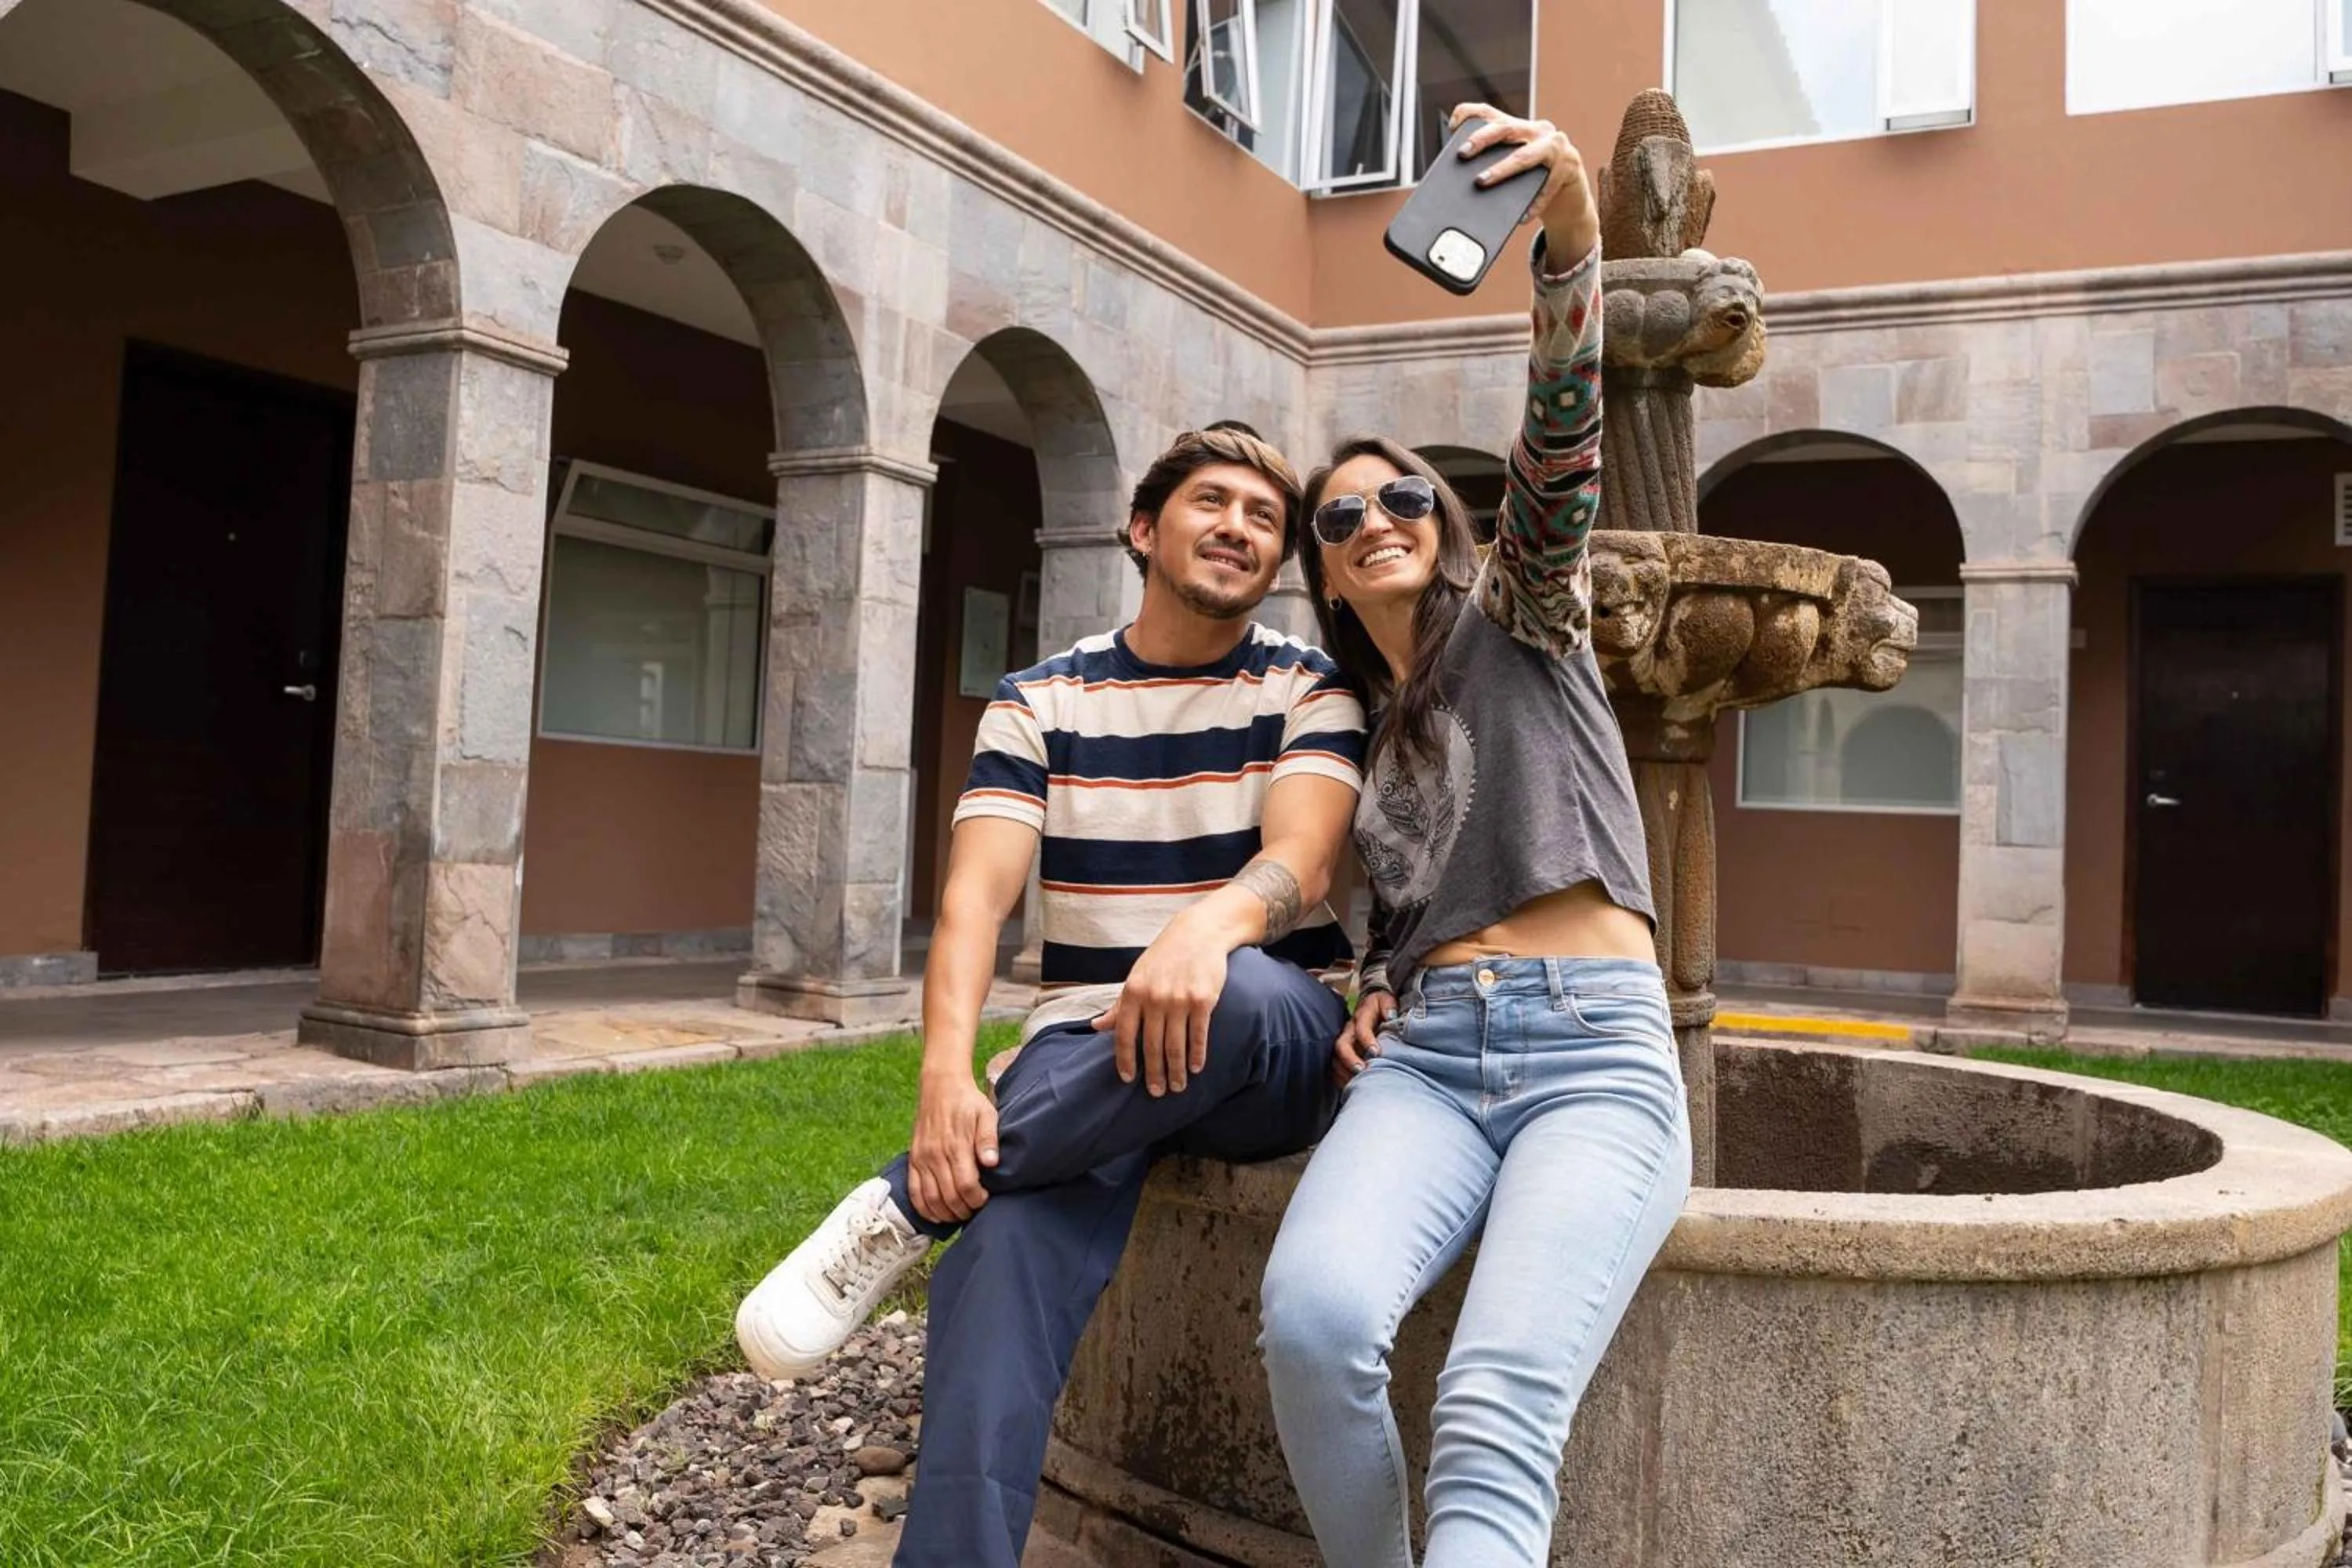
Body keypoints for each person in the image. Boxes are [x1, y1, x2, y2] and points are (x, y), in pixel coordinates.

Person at [733, 426, 1367, 1568]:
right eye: (1211, 502)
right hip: (1094, 1058)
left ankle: (901, 1206)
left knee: (1233, 991)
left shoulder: (1307, 686)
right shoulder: (1042, 698)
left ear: (1278, 559)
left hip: (1267, 1040)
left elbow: (1304, 862)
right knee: (1003, 1243)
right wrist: (943, 1084)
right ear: (1143, 529)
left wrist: (1197, 936)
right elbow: (975, 901)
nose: (1238, 527)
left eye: (1264, 518)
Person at [1256, 104, 1693, 1568]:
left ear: (1441, 522)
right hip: (1434, 1064)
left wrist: (1568, 228)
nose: (1373, 519)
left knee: (1495, 1403)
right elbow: (1393, 914)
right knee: (1311, 1320)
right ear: (1324, 573)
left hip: (1593, 1049)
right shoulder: (1362, 735)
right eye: (1339, 519)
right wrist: (1373, 988)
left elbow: (1561, 437)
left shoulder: (1525, 614)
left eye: (1399, 496)